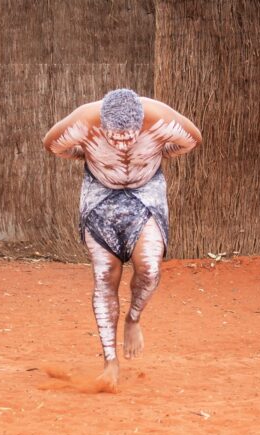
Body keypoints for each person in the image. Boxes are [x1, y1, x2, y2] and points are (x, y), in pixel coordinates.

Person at [43, 89, 202, 390]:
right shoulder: (84, 121)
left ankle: (133, 319)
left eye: (129, 137)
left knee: (150, 268)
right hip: (100, 193)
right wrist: (88, 154)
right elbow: (53, 145)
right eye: (113, 138)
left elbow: (191, 140)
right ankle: (110, 361)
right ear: (101, 124)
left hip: (146, 192)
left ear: (141, 123)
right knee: (105, 275)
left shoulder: (160, 119)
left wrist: (156, 152)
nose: (122, 145)